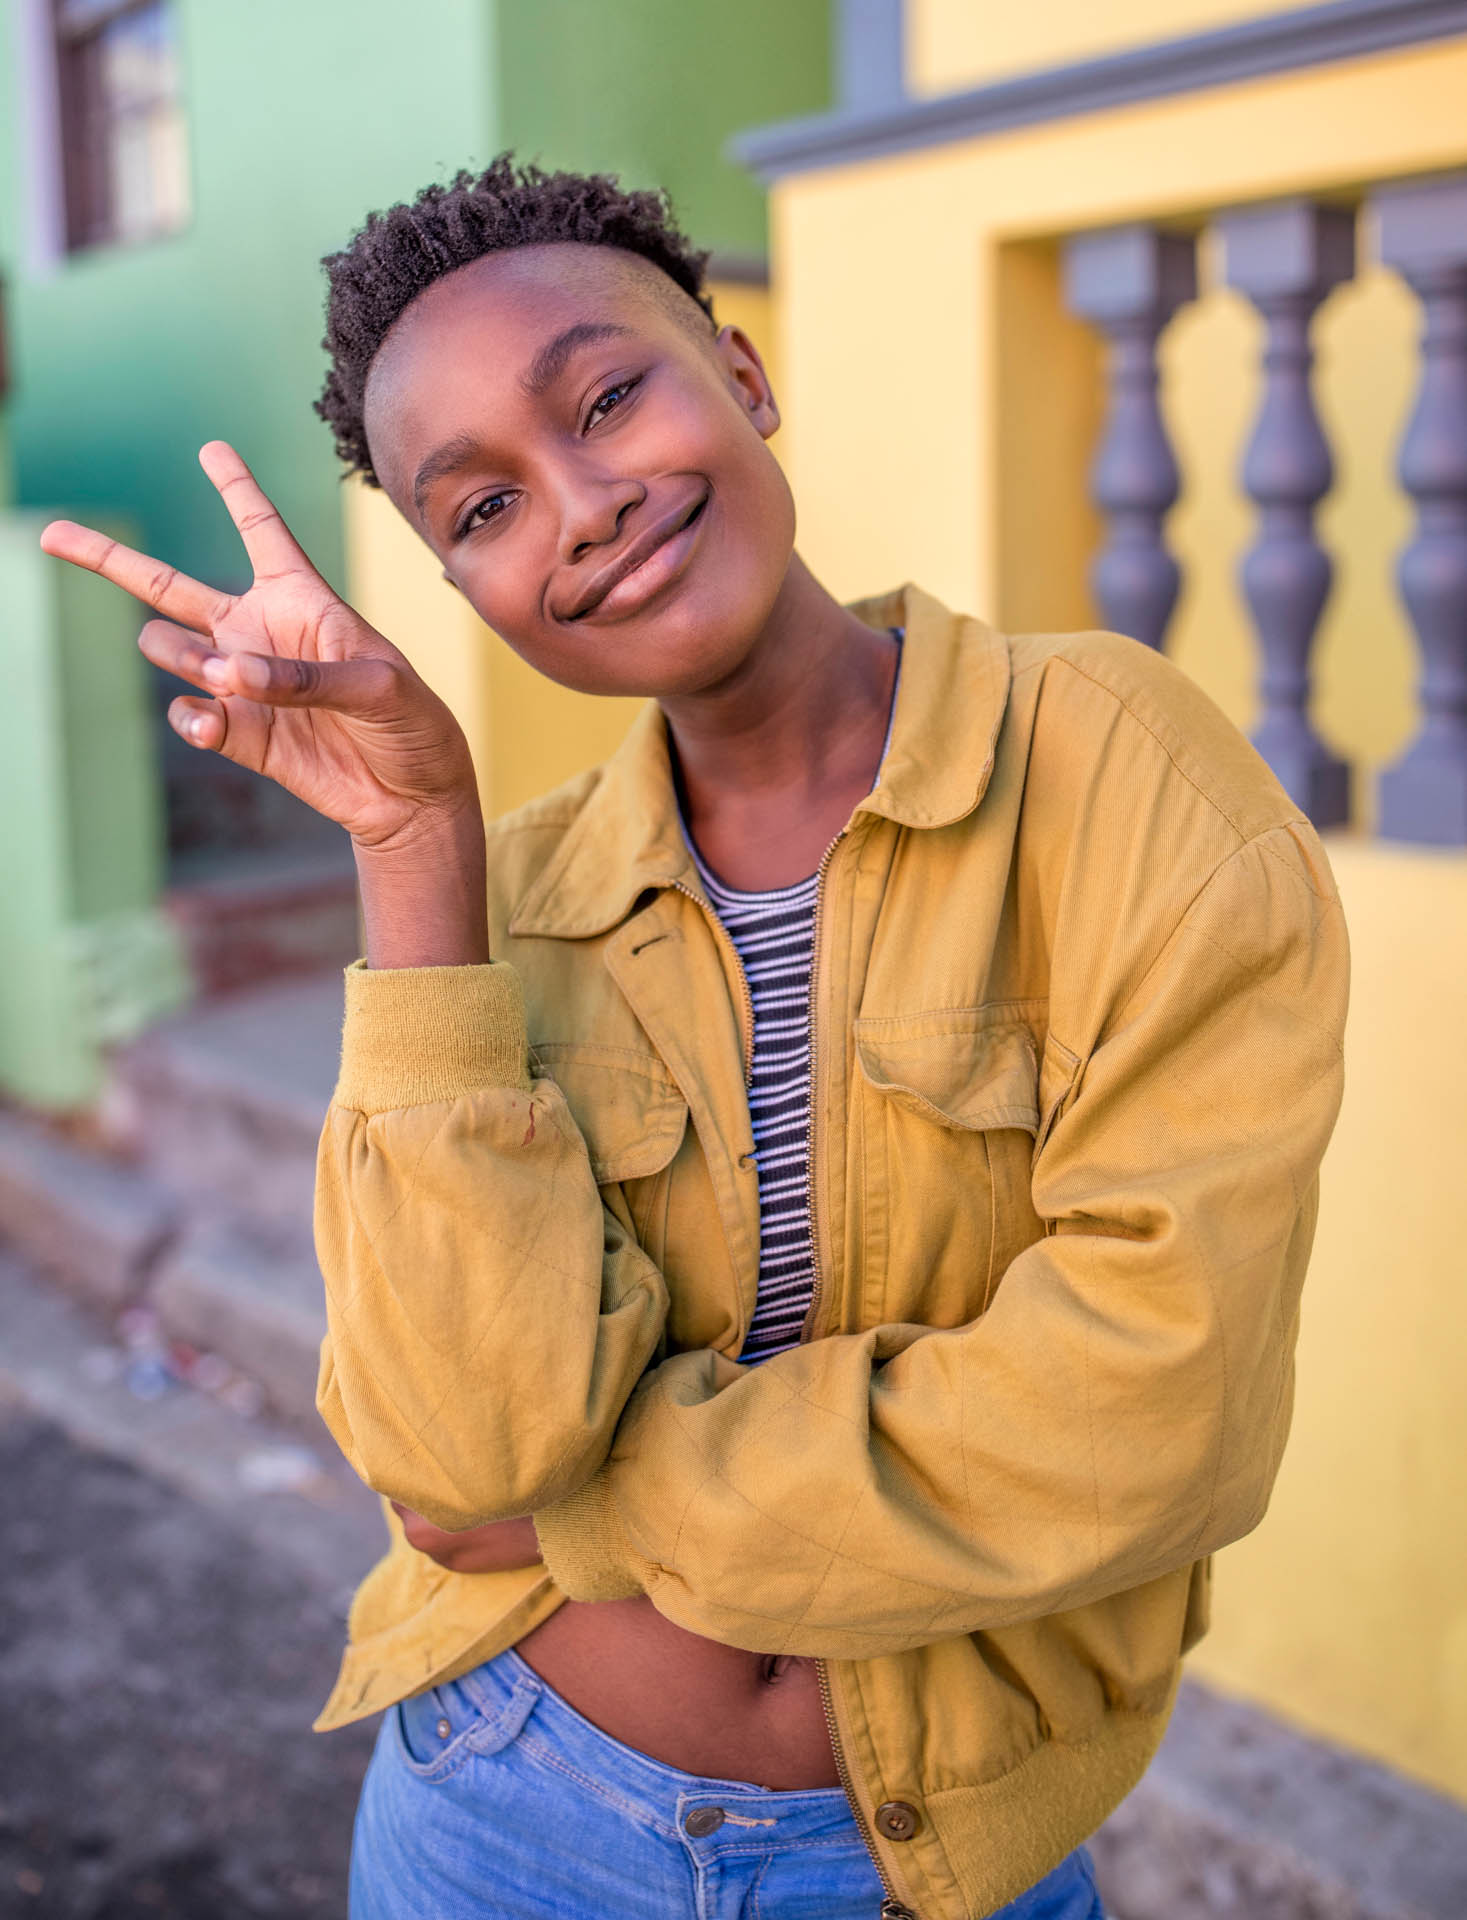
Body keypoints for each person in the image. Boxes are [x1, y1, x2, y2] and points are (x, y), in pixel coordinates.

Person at [43, 157, 1348, 1920]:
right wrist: (416, 849)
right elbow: (449, 1470)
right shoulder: (518, 893)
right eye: (482, 510)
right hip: (500, 1813)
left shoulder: (1117, 767)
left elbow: (1156, 1411)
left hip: (938, 1863)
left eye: (606, 396)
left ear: (742, 376)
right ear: (465, 588)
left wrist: (601, 1515)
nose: (579, 503)